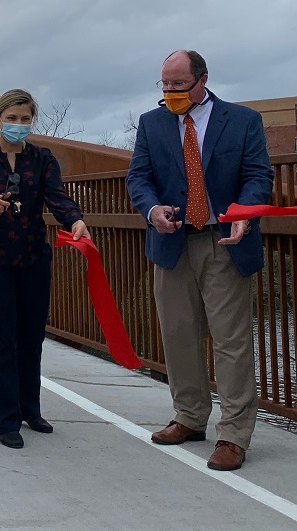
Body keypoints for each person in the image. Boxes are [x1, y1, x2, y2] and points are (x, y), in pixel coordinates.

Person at [126, 50, 273, 471]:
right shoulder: (151, 123)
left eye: (179, 84)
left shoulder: (242, 120)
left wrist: (245, 214)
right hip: (171, 243)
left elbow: (258, 175)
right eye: (165, 85)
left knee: (230, 341)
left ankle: (233, 434)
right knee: (177, 334)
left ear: (202, 79)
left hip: (224, 241)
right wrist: (152, 211)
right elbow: (139, 176)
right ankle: (190, 417)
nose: (171, 93)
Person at [0, 89, 90, 449]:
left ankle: (30, 408)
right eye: (11, 118)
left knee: (32, 336)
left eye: (25, 118)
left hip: (33, 257)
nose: (18, 125)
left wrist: (74, 219)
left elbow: (56, 196)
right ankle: (4, 419)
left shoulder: (42, 159)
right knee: (2, 337)